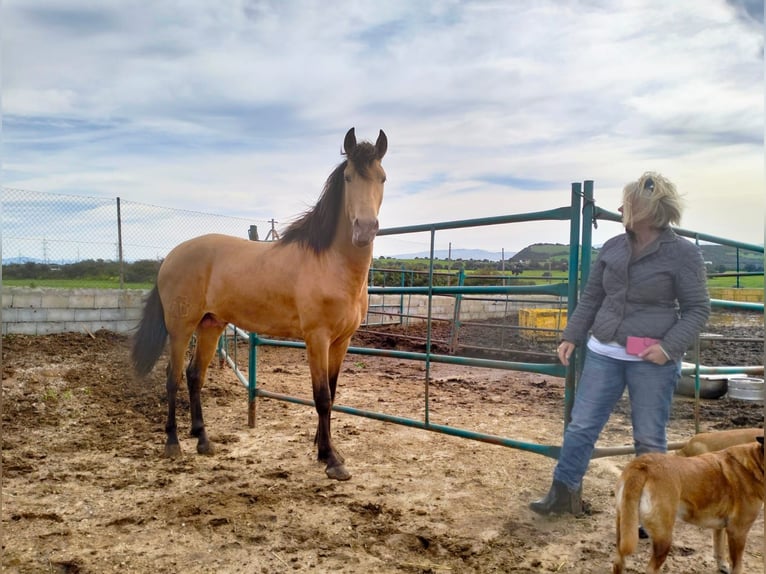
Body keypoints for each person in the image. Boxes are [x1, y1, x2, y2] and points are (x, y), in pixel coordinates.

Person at [529, 171, 711, 516]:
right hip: (603, 352)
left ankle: (651, 512)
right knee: (582, 425)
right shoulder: (613, 247)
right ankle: (562, 495)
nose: (620, 208)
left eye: (628, 203)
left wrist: (668, 348)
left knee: (649, 437)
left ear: (647, 209)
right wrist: (572, 334)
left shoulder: (683, 254)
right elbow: (593, 296)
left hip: (652, 358)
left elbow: (698, 309)